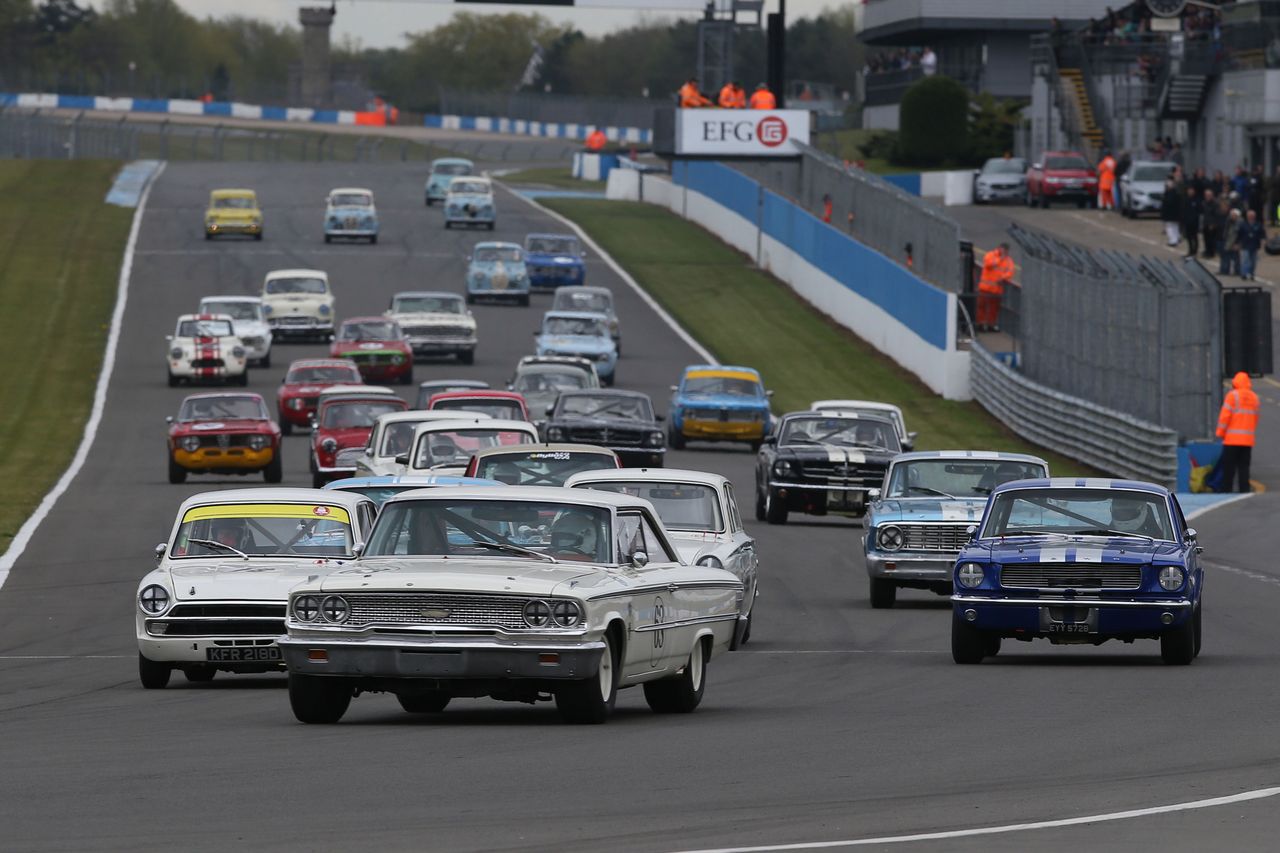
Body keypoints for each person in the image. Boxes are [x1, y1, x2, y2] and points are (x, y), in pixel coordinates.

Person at [1216, 371, 1258, 492]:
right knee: (1244, 468)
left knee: (1229, 468)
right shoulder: (1254, 398)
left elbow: (1225, 417)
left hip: (1231, 440)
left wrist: (1220, 433)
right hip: (1247, 441)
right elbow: (1255, 418)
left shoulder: (1233, 396)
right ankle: (1244, 490)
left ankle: (1226, 490)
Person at [977, 243, 1014, 332]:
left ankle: (991, 325)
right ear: (999, 248)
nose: (1004, 252)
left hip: (997, 289)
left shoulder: (1009, 261)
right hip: (985, 287)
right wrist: (1000, 259)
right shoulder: (990, 255)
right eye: (1003, 249)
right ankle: (980, 324)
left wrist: (1003, 278)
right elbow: (988, 265)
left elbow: (1010, 272)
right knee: (981, 307)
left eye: (1006, 250)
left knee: (994, 309)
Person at [1238, 208, 1265, 280]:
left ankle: (1252, 274)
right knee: (1245, 261)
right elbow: (1239, 234)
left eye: (1252, 215)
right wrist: (1238, 243)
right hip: (1245, 245)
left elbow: (1262, 234)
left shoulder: (1258, 224)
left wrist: (1263, 241)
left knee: (1253, 262)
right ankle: (1244, 274)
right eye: (1250, 215)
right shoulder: (1243, 224)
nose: (1251, 217)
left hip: (1255, 245)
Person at [1159, 176, 1182, 247]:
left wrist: (1164, 199)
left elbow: (1169, 203)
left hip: (1170, 214)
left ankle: (1173, 240)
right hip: (1175, 214)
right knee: (1174, 226)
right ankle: (1176, 239)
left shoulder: (1170, 193)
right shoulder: (1175, 192)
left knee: (1170, 227)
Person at [1220, 208, 1242, 276]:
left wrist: (1238, 244)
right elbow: (1226, 232)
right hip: (1228, 242)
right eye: (1231, 215)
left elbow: (1241, 234)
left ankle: (1237, 271)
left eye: (1234, 215)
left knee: (1236, 258)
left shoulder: (1240, 223)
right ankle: (1224, 270)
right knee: (1225, 257)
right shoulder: (1228, 221)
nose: (1232, 216)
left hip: (1235, 242)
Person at [1181, 185, 1202, 257]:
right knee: (1188, 237)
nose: (1190, 191)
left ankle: (1195, 252)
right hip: (1187, 222)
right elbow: (1183, 211)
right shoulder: (1185, 199)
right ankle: (1190, 251)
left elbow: (1199, 211)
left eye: (1192, 190)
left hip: (1195, 222)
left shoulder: (1197, 200)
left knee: (1195, 237)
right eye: (1189, 190)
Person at [1201, 190, 1220, 259]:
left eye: (1209, 195)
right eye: (1206, 195)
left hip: (1212, 225)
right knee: (1206, 239)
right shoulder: (1204, 203)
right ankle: (1207, 251)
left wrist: (1213, 224)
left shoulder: (1215, 204)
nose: (1207, 197)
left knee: (1211, 240)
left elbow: (1216, 215)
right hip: (1205, 223)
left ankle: (1211, 253)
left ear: (1212, 196)